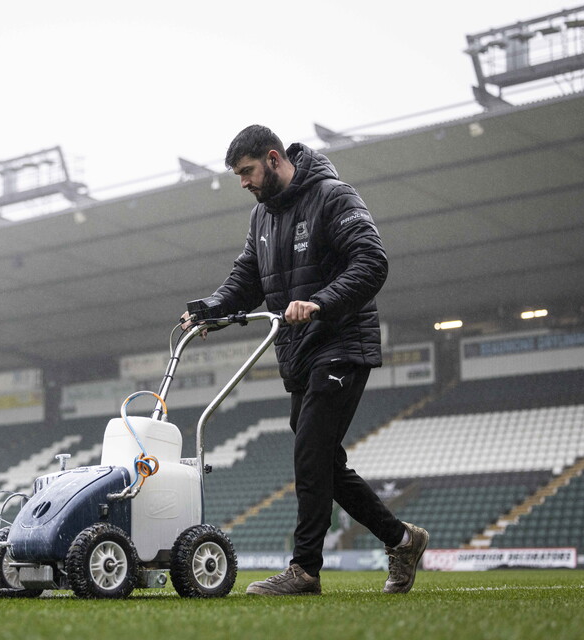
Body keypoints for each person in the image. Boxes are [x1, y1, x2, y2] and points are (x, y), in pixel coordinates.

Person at [181, 125, 428, 595]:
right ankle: (402, 539)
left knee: (310, 451)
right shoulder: (262, 219)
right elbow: (246, 280)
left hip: (340, 339)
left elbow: (372, 262)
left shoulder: (333, 196)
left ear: (274, 158)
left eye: (247, 171)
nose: (243, 183)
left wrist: (321, 302)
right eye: (237, 175)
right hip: (299, 352)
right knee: (325, 464)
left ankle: (305, 570)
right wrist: (209, 309)